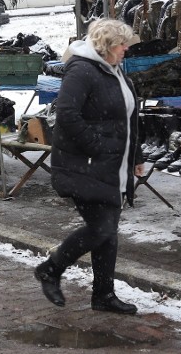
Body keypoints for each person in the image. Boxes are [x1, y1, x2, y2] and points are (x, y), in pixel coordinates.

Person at [34, 18, 143, 315]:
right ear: (106, 46)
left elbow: (129, 119)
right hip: (84, 165)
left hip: (111, 166)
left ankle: (103, 295)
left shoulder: (114, 70)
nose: (125, 50)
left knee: (108, 231)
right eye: (122, 45)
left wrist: (136, 156)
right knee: (102, 228)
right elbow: (67, 115)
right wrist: (98, 147)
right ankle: (50, 269)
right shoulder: (82, 70)